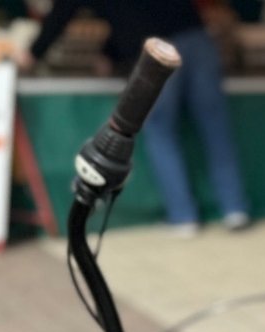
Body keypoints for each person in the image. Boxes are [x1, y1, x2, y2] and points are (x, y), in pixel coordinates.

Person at [18, 0, 252, 235]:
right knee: (216, 131)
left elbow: (67, 11)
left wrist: (32, 53)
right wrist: (109, 52)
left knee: (161, 133)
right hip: (197, 40)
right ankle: (235, 209)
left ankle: (183, 216)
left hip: (158, 52)